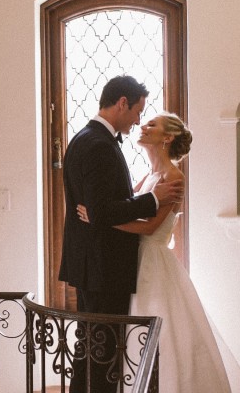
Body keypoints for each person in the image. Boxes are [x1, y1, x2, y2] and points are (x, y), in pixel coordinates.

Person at [58, 75, 183, 393]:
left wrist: (99, 213)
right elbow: (104, 210)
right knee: (104, 357)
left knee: (90, 352)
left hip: (92, 266)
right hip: (104, 269)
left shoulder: (83, 139)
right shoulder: (100, 145)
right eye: (138, 111)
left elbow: (102, 208)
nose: (139, 120)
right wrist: (154, 198)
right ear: (122, 103)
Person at [92, 112, 230, 392]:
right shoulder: (151, 174)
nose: (144, 126)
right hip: (136, 260)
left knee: (161, 332)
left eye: (152, 125)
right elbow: (129, 206)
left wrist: (101, 219)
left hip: (153, 263)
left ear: (167, 138)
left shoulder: (173, 176)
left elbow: (152, 227)